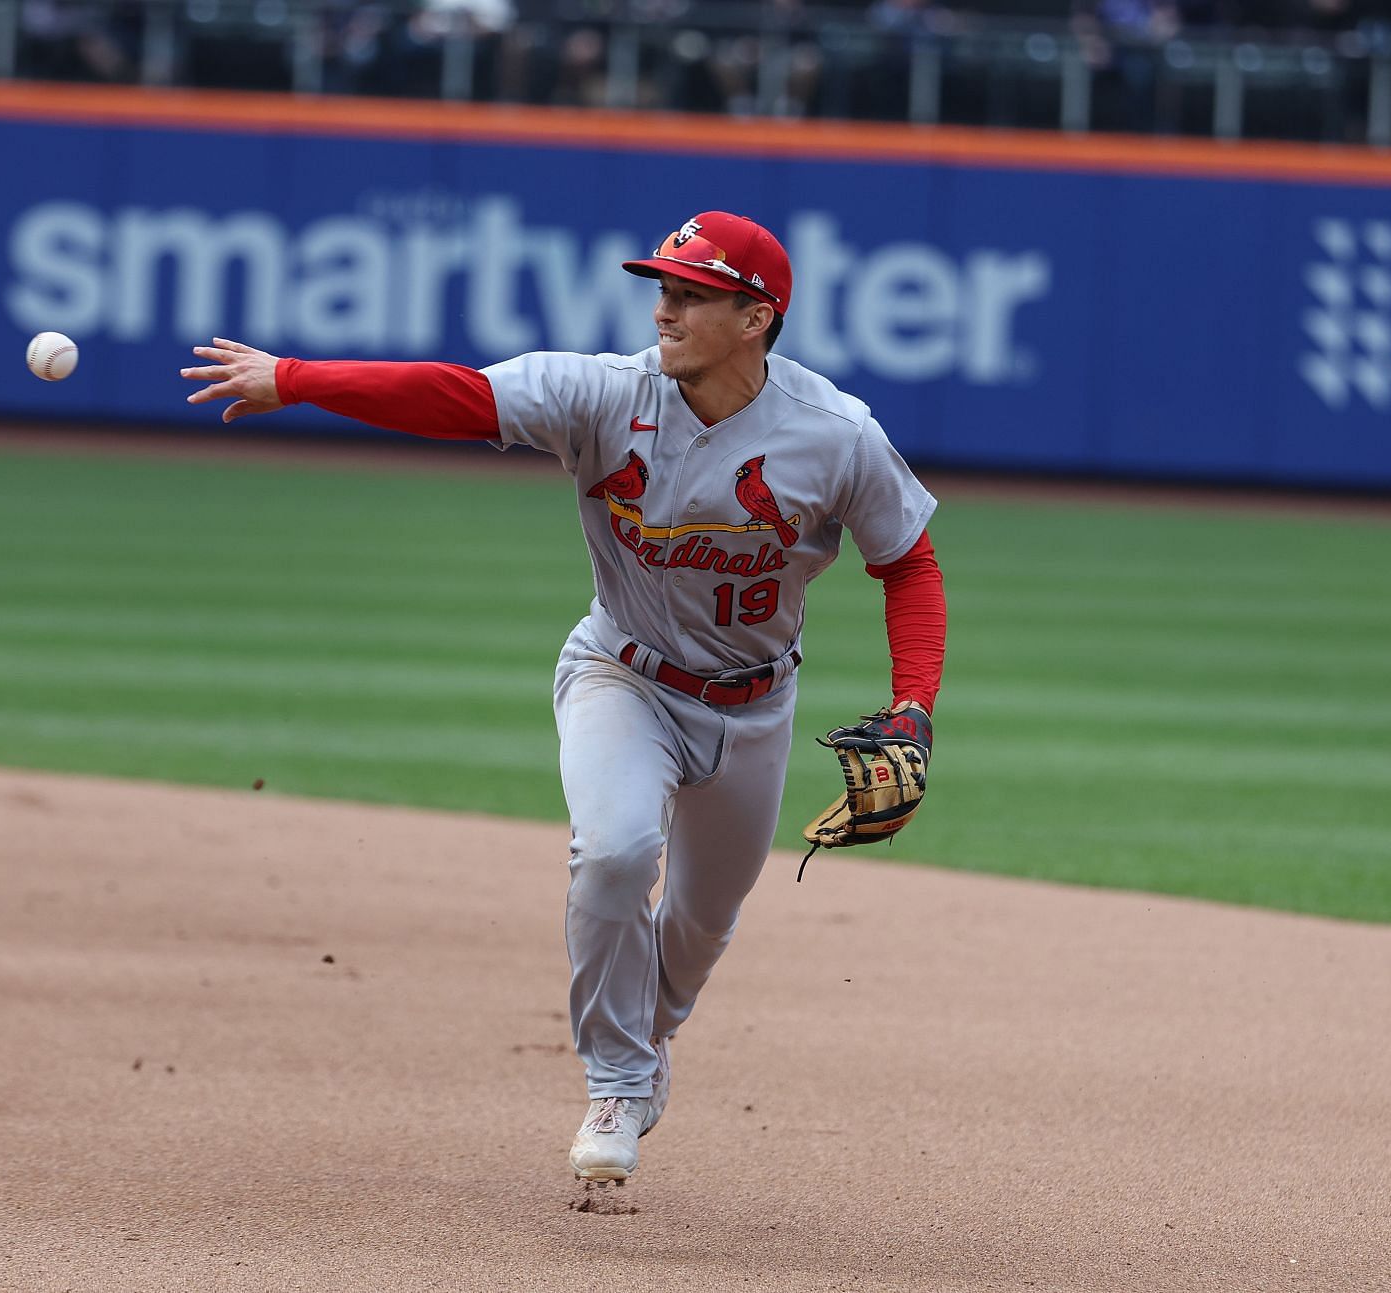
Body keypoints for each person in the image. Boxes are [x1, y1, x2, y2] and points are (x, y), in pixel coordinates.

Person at [180, 212, 947, 1182]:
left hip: (757, 710)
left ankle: (646, 1041)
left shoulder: (834, 435)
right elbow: (459, 397)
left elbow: (908, 564)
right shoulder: (603, 394)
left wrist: (914, 706)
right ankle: (618, 1080)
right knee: (616, 849)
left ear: (756, 319)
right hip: (619, 674)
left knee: (703, 924)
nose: (663, 307)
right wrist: (297, 379)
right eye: (660, 288)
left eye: (690, 293)